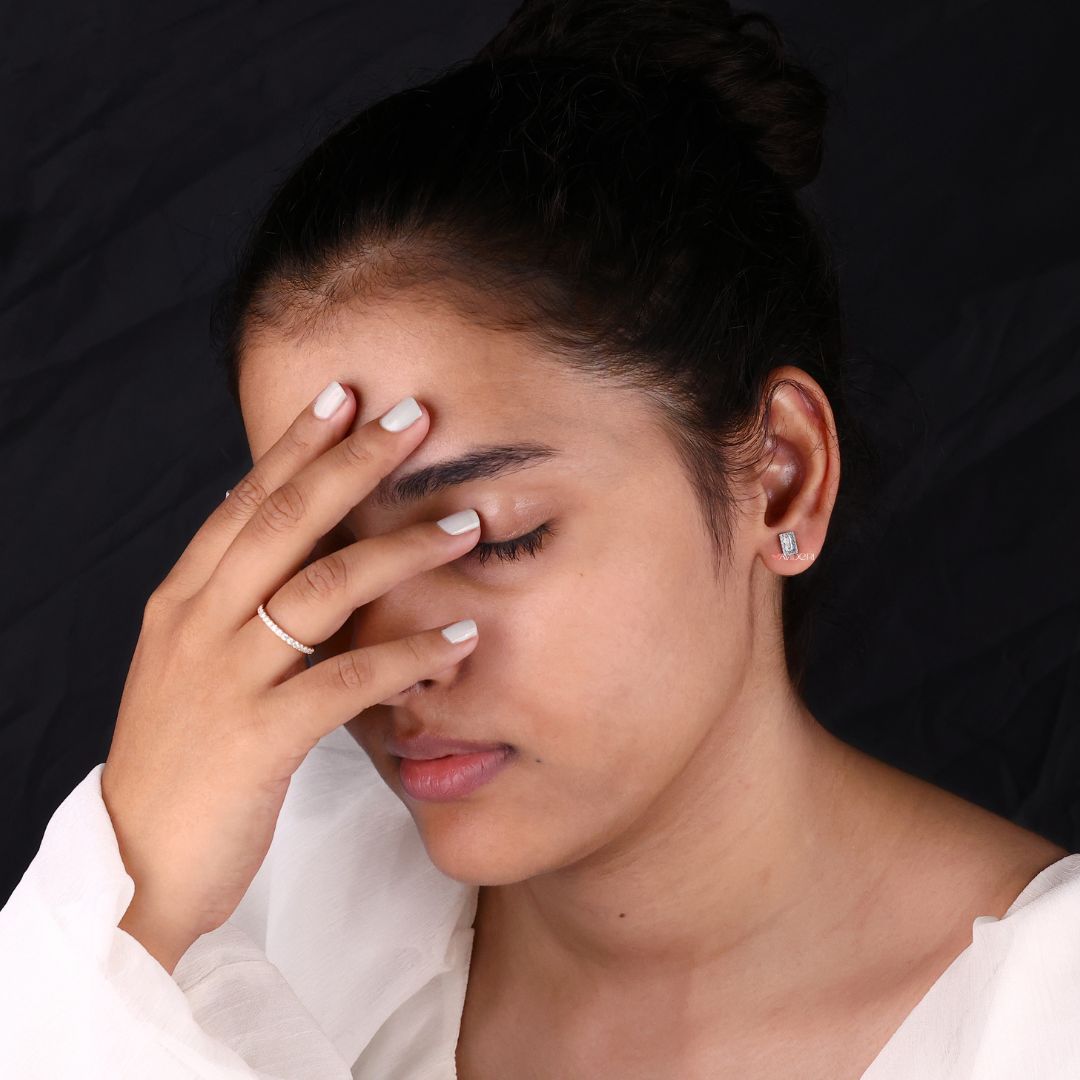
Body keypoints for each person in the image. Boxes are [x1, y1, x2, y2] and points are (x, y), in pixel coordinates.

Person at [3, 1, 1078, 1077]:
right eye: (327, 555)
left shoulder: (1044, 1020)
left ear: (782, 478)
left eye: (493, 535)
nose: (392, 661)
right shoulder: (222, 924)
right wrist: (124, 908)